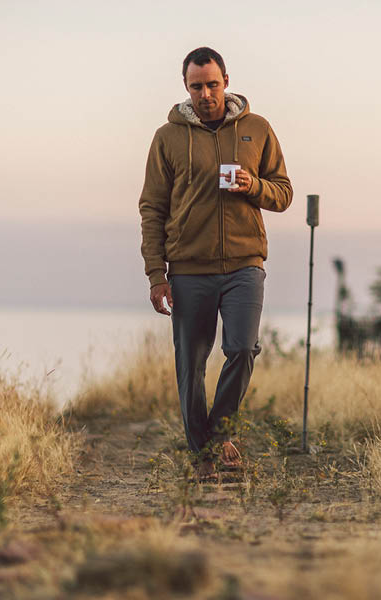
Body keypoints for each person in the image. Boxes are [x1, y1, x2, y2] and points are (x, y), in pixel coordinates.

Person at [138, 46, 293, 478]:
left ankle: (222, 433)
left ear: (226, 81)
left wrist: (254, 185)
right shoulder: (167, 138)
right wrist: (157, 274)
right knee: (190, 365)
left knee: (242, 348)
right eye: (196, 86)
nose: (206, 93)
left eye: (212, 84)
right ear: (186, 88)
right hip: (188, 269)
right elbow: (152, 208)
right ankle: (202, 454)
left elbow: (283, 193)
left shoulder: (257, 129)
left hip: (245, 264)